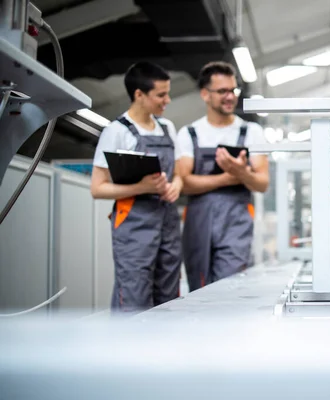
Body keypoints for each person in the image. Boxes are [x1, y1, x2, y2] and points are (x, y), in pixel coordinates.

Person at [90, 61, 183, 313]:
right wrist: (141, 187)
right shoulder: (117, 131)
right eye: (161, 95)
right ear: (139, 95)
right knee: (134, 294)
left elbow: (180, 174)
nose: (168, 100)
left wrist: (176, 184)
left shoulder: (168, 128)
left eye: (168, 93)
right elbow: (97, 188)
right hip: (133, 221)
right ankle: (127, 351)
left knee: (169, 292)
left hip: (167, 220)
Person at [177, 61, 269, 291]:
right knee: (198, 287)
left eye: (233, 90)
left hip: (236, 221)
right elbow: (184, 183)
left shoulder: (251, 132)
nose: (230, 96)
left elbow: (262, 182)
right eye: (222, 91)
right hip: (198, 221)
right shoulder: (189, 134)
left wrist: (240, 171)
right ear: (205, 95)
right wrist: (229, 177)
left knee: (230, 287)